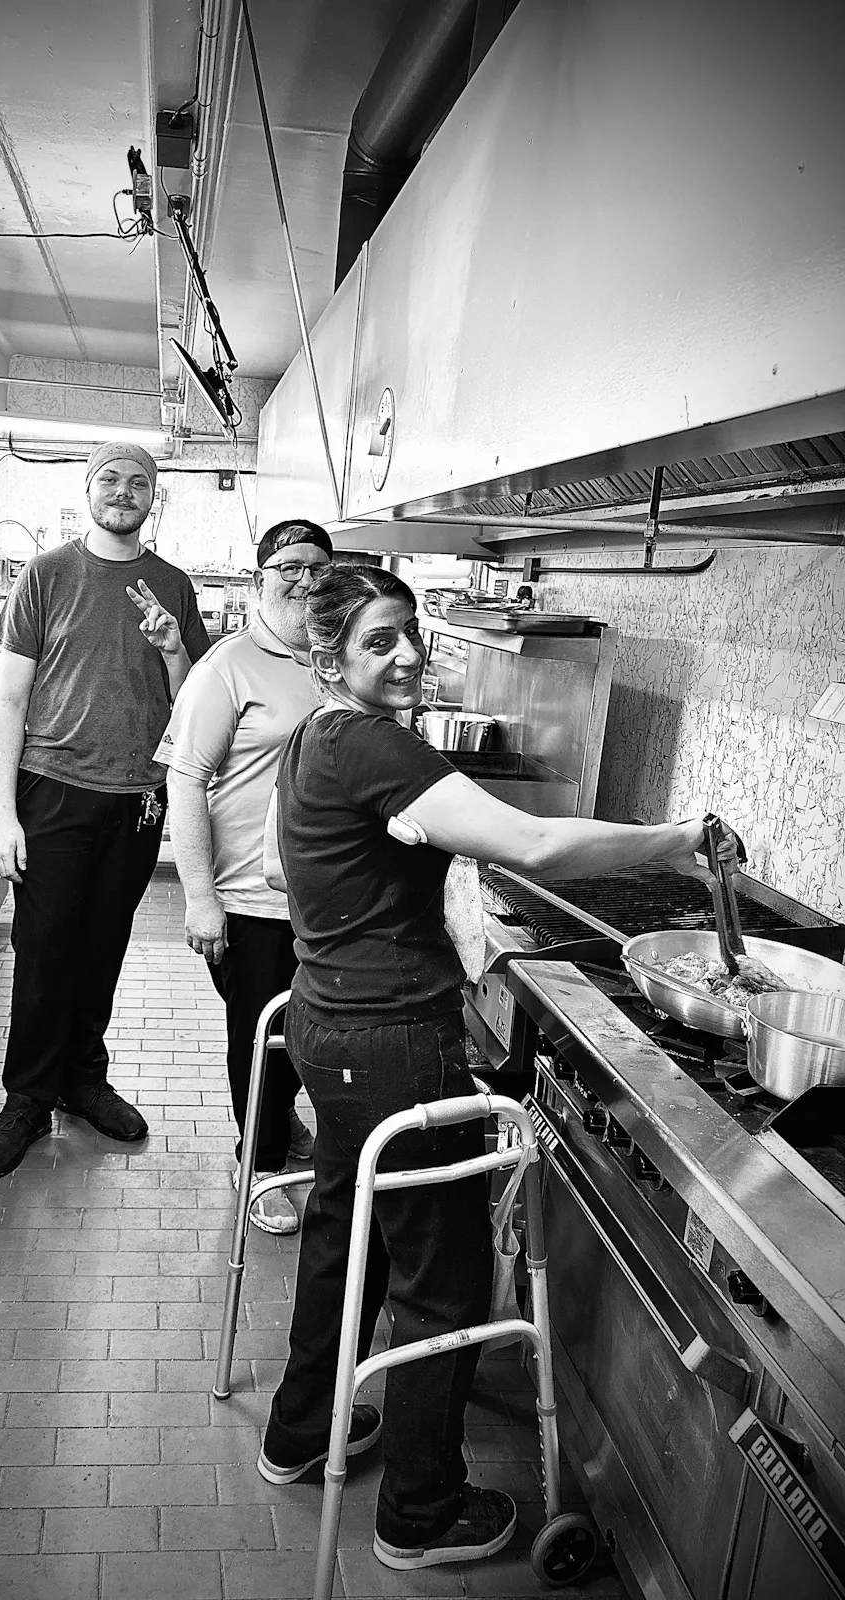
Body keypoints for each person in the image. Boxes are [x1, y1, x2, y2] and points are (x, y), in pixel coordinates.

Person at [258, 562, 727, 1571]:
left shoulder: (314, 737)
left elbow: (278, 858)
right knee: (443, 1276)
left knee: (345, 1234)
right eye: (380, 641)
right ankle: (419, 1513)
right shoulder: (371, 743)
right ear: (327, 657)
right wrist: (677, 841)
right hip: (392, 1041)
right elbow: (538, 841)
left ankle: (304, 1427)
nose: (409, 654)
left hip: (325, 1028)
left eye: (412, 633)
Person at [0, 441, 210, 1180]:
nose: (124, 491)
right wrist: (5, 815)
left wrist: (173, 649)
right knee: (44, 951)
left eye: (140, 483)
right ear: (87, 489)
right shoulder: (46, 575)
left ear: (153, 499)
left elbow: (192, 704)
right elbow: (8, 700)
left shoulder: (172, 586)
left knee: (102, 946)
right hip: (52, 790)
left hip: (137, 800)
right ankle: (26, 1100)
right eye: (111, 479)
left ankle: (84, 1079)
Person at [156, 519, 333, 1234]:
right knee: (259, 1033)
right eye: (288, 565)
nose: (305, 578)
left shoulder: (334, 658)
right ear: (260, 575)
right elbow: (185, 779)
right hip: (248, 897)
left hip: (321, 897)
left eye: (319, 566)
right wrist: (199, 898)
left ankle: (278, 1123)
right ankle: (255, 1165)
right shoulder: (227, 665)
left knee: (299, 1027)